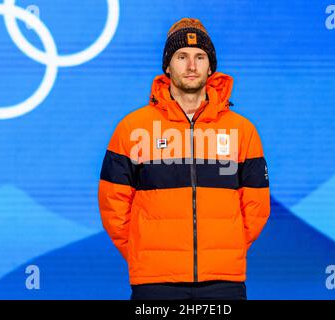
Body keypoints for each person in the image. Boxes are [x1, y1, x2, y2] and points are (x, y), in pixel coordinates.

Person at [98, 17, 270, 300]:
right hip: (155, 281)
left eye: (200, 57)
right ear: (167, 66)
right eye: (182, 57)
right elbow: (112, 205)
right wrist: (144, 252)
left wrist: (227, 247)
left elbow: (256, 207)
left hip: (223, 280)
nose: (191, 66)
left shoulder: (242, 130)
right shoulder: (132, 128)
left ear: (210, 66)